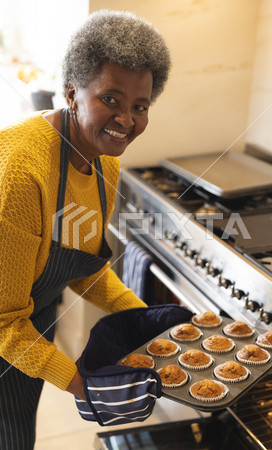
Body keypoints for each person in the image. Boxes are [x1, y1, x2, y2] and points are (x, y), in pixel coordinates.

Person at [0, 10, 171, 450]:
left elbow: (82, 267)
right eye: (110, 99)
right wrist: (85, 386)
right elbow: (4, 324)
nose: (126, 120)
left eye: (139, 106)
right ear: (73, 92)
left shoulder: (104, 163)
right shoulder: (24, 172)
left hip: (29, 325)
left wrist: (145, 322)